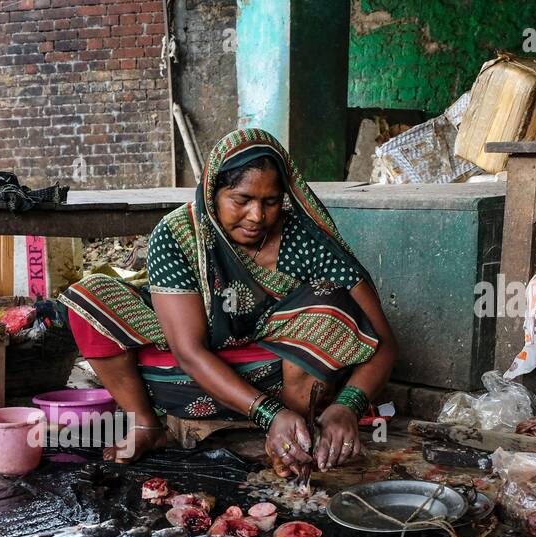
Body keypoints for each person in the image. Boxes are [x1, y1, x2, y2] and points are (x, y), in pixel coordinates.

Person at [61, 128, 398, 473]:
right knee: (90, 297)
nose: (256, 216)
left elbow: (385, 342)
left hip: (275, 370)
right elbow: (188, 351)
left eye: (270, 201)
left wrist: (347, 408)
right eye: (241, 199)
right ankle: (147, 424)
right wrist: (268, 413)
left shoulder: (304, 238)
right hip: (191, 372)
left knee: (329, 306)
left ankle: (297, 433)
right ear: (213, 191)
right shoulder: (180, 235)